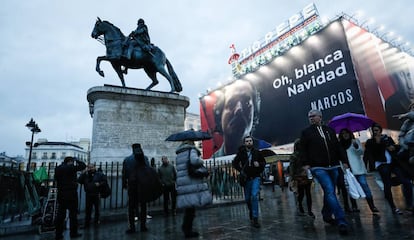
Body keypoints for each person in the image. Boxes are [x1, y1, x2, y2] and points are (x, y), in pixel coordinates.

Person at [300, 109, 349, 235]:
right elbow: (303, 149)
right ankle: (341, 220)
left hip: (333, 165)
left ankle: (326, 214)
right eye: (309, 116)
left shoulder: (329, 131)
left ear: (320, 117)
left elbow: (337, 146)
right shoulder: (306, 133)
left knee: (330, 191)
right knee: (329, 190)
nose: (311, 118)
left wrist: (344, 161)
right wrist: (305, 164)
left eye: (313, 116)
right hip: (318, 167)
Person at [363, 123, 413, 214]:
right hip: (382, 164)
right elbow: (369, 154)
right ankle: (393, 207)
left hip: (392, 163)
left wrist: (393, 147)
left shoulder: (387, 138)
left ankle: (409, 204)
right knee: (387, 185)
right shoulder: (371, 142)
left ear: (380, 130)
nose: (376, 132)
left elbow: (395, 148)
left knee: (405, 181)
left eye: (377, 130)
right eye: (374, 131)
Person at [213, 80, 261, 157]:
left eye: (246, 103)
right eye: (231, 104)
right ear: (219, 118)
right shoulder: (213, 160)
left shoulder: (265, 151)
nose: (239, 109)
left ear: (254, 113)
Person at [176, 140, 212, 238]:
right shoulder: (191, 150)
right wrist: (201, 159)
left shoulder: (179, 152)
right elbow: (195, 161)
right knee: (191, 208)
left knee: (189, 208)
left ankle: (187, 228)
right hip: (191, 181)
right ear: (191, 142)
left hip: (184, 182)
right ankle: (187, 230)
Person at [338, 128, 379, 214]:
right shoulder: (339, 145)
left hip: (358, 169)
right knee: (352, 188)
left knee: (365, 186)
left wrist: (356, 146)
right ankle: (354, 206)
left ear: (350, 133)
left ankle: (372, 206)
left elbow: (361, 152)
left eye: (346, 133)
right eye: (343, 133)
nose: (345, 135)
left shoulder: (355, 141)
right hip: (347, 171)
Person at [233, 136, 266, 228]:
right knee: (247, 198)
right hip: (246, 178)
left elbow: (263, 162)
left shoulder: (257, 152)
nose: (249, 142)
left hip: (255, 177)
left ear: (252, 142)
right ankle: (251, 211)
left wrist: (259, 164)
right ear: (244, 143)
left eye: (250, 141)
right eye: (247, 141)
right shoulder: (241, 153)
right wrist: (241, 171)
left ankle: (255, 218)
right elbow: (234, 163)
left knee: (254, 195)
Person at [54, 156, 86, 240]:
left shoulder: (58, 168)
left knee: (60, 215)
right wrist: (77, 160)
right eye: (72, 162)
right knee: (73, 215)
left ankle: (58, 234)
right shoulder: (70, 167)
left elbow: (56, 179)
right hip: (71, 194)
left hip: (61, 193)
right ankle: (73, 233)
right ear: (70, 161)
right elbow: (83, 166)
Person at [122, 143, 150, 233]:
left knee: (131, 207)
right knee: (143, 206)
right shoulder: (145, 158)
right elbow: (148, 171)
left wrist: (124, 184)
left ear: (132, 149)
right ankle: (143, 226)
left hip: (132, 185)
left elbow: (124, 174)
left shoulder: (127, 160)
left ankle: (132, 227)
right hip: (143, 185)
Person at [288, 139, 314, 217]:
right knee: (307, 193)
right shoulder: (306, 154)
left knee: (302, 193)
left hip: (299, 177)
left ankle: (301, 207)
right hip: (305, 176)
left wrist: (292, 177)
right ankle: (308, 210)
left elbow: (292, 168)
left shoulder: (293, 155)